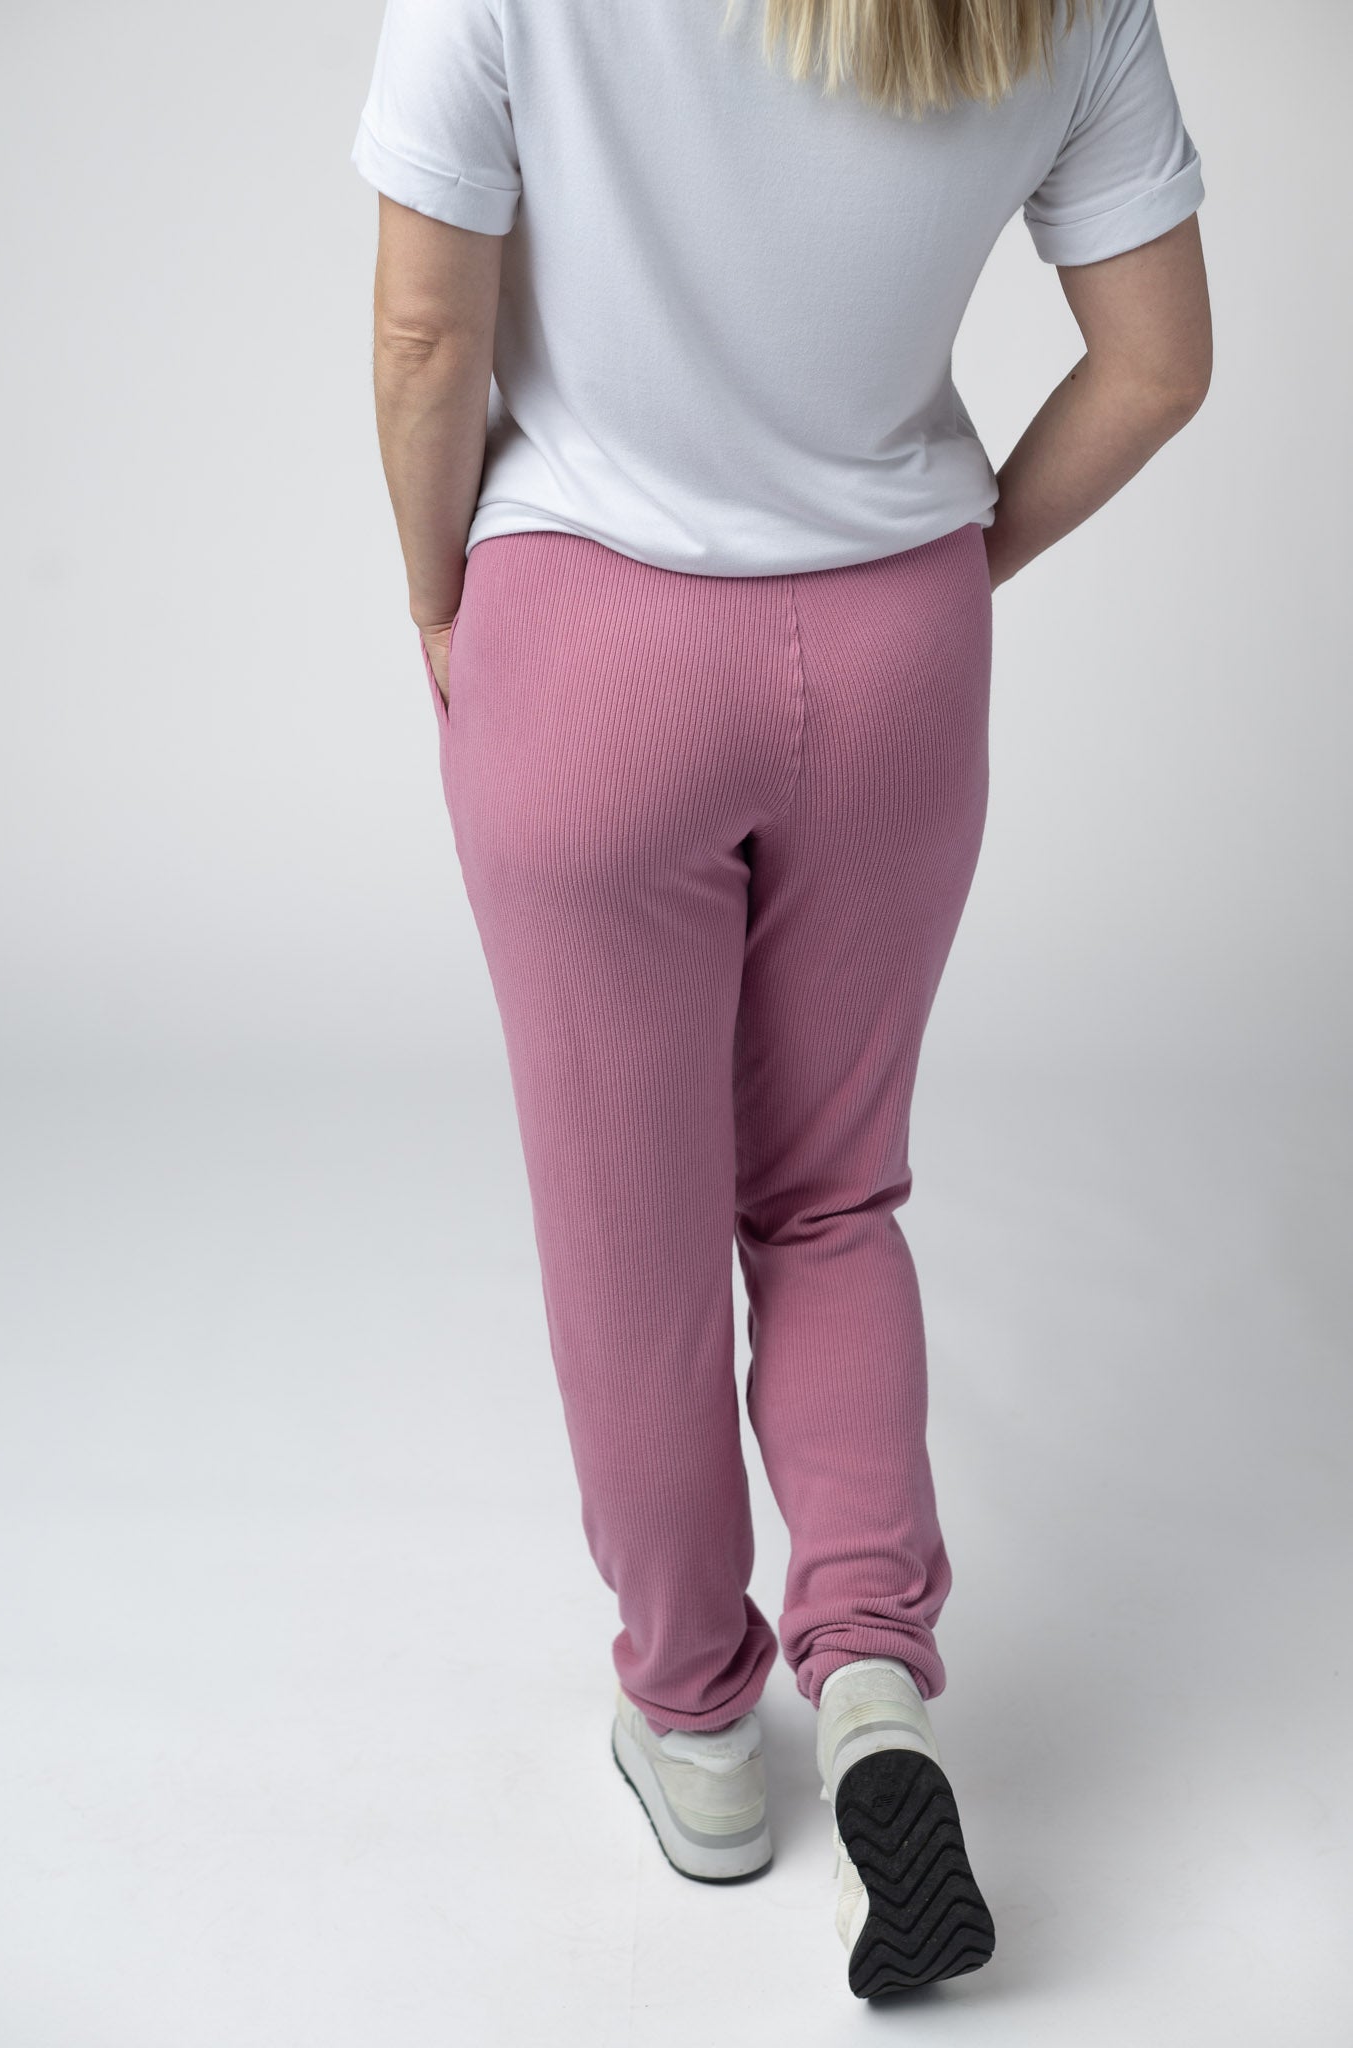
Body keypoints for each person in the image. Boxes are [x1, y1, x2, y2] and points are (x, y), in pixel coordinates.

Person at [350, 0, 1210, 1998]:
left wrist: (437, 594)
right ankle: (877, 1682)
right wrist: (942, 562)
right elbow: (1156, 364)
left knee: (628, 1232)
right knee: (826, 1195)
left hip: (589, 637)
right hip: (896, 649)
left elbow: (422, 340)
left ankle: (696, 1729)